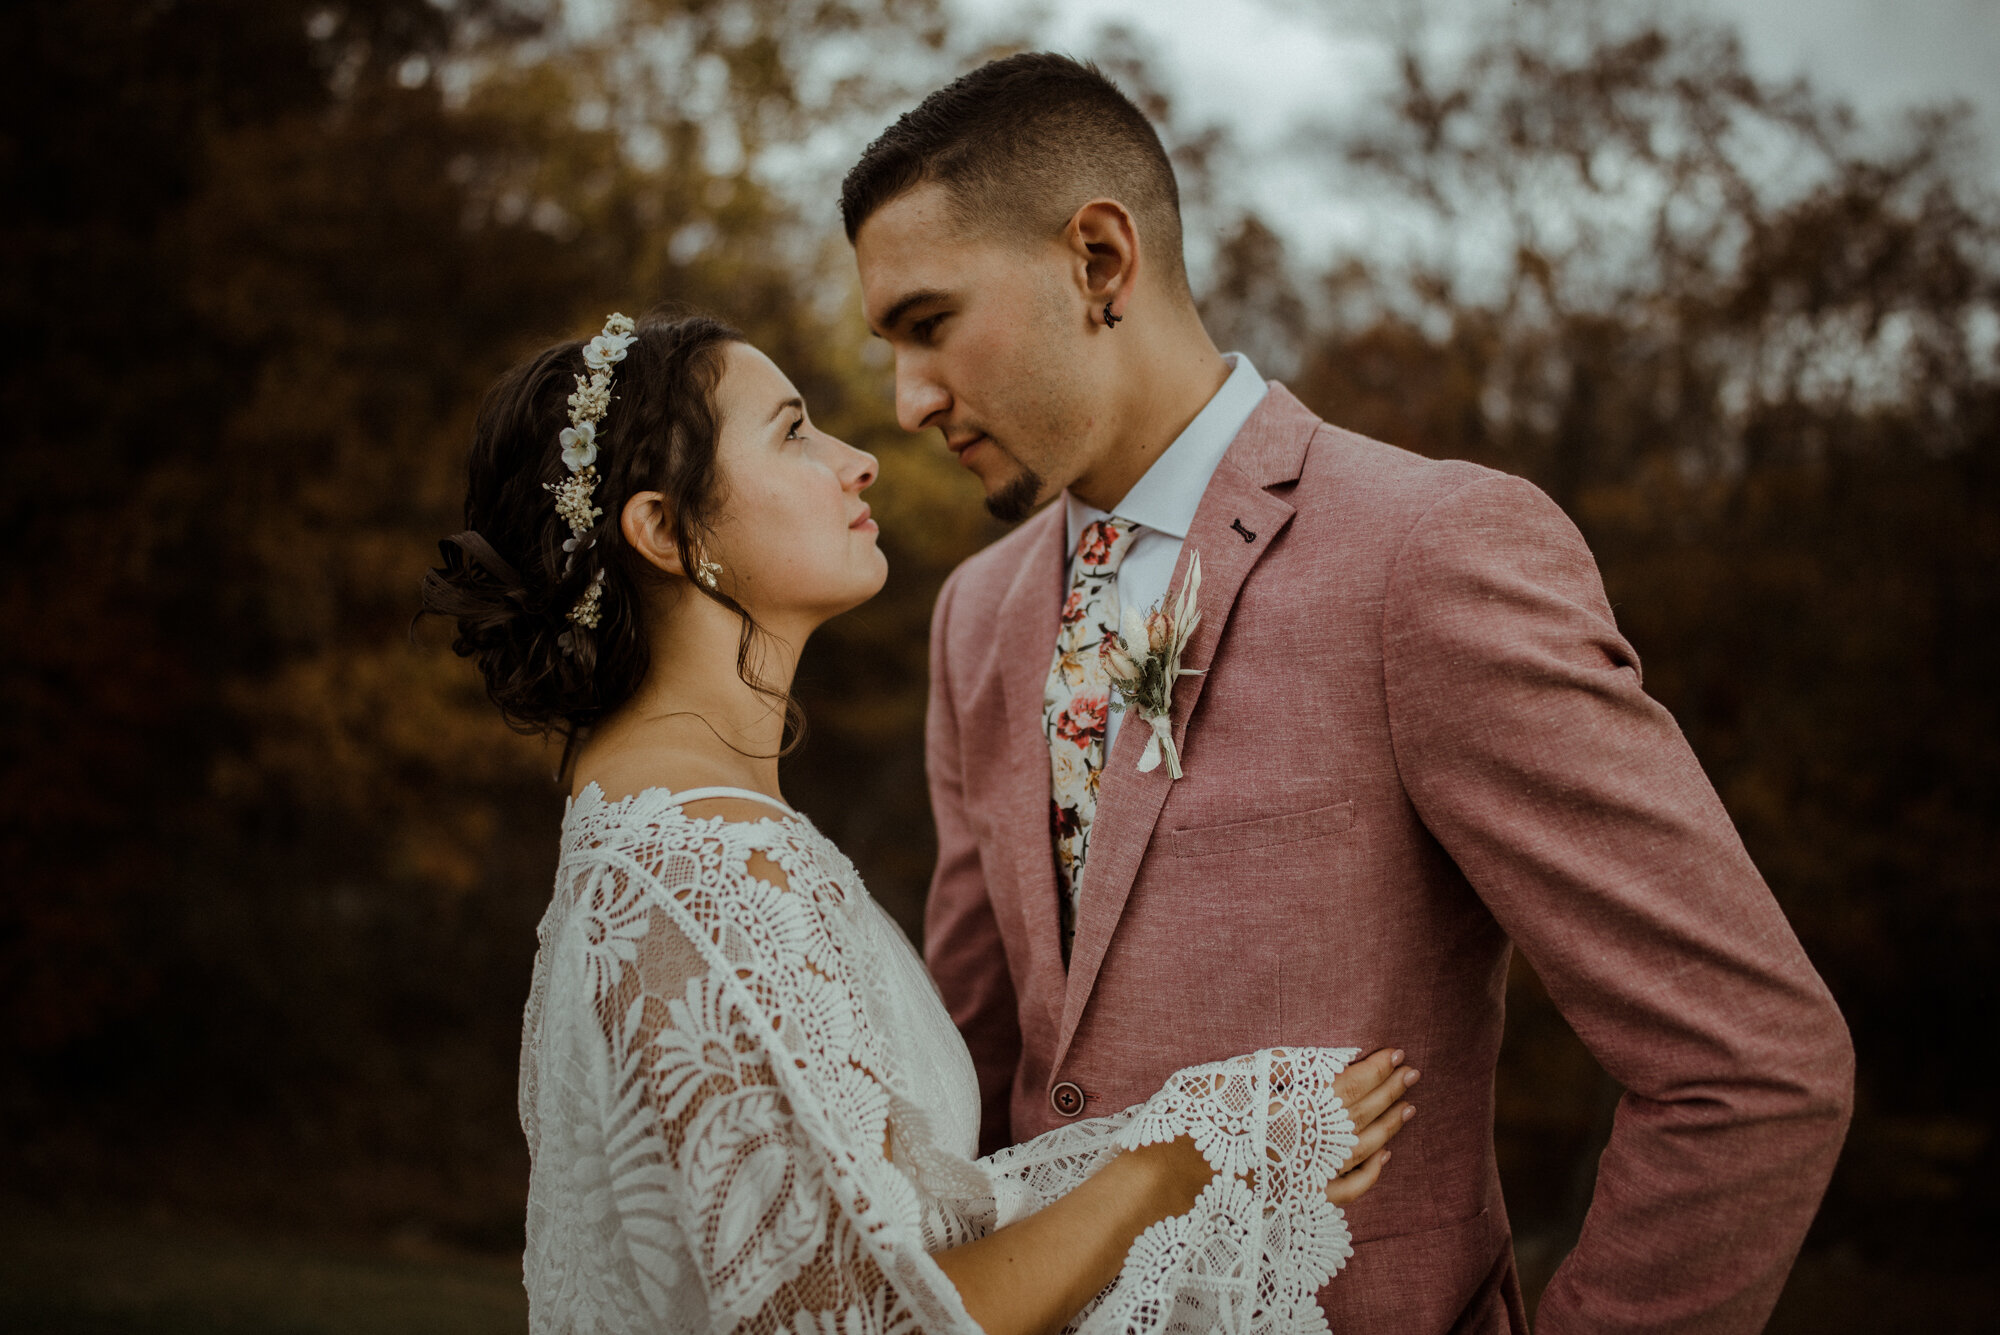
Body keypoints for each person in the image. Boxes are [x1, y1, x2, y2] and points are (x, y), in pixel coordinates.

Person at [842, 53, 1856, 1333]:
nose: (907, 400)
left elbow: (1750, 1062)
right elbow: (984, 1082)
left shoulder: (1427, 554)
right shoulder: (975, 616)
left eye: (927, 325)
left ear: (1099, 261)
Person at [420, 311, 1423, 1333]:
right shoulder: (704, 878)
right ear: (664, 531)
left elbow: (886, 1227)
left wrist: (1207, 1127)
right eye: (792, 433)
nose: (857, 461)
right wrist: (1184, 1165)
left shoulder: (660, 841)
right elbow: (870, 1319)